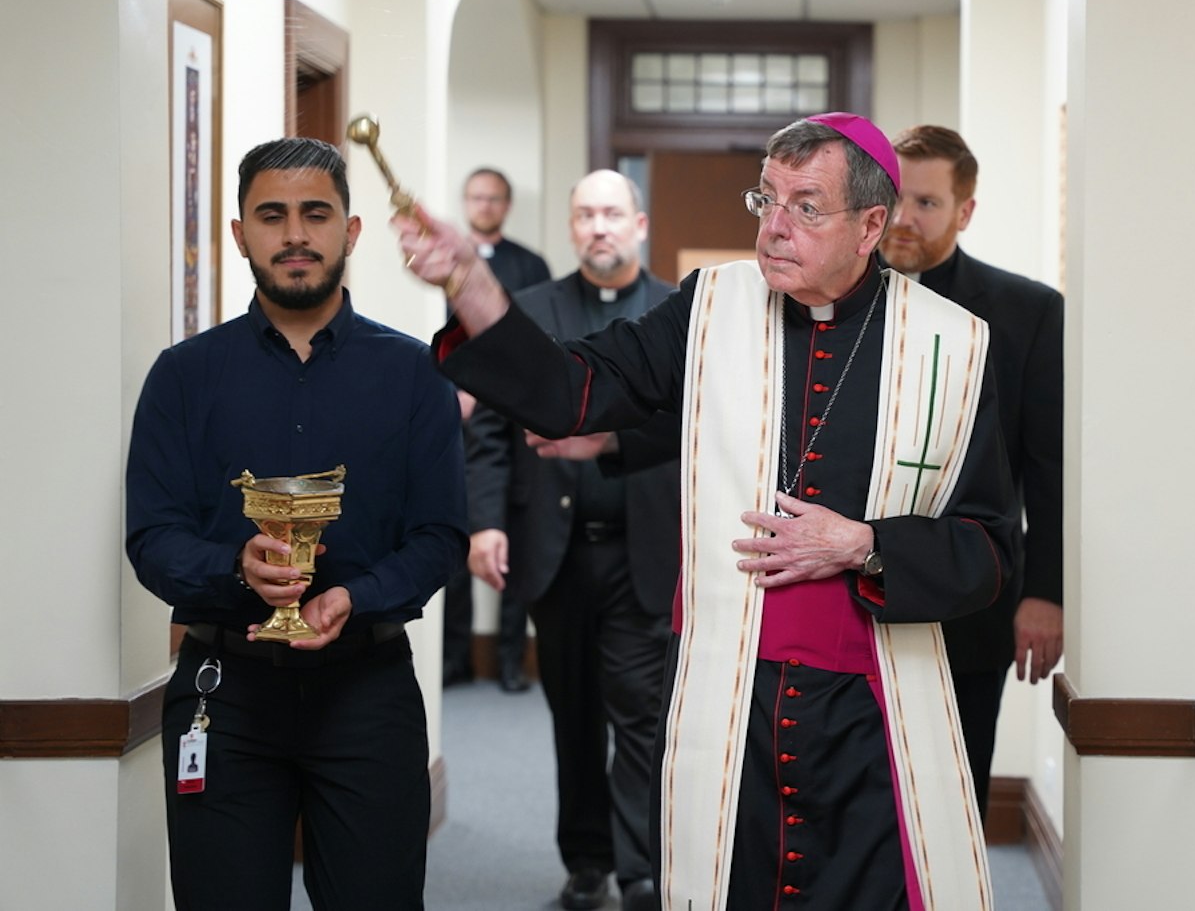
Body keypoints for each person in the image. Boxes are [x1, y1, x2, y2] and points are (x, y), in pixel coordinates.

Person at [396, 112, 1019, 910]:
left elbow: (989, 549)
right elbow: (573, 389)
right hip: (734, 700)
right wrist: (471, 287)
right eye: (766, 201)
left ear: (871, 225)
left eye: (805, 206)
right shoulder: (712, 305)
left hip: (875, 715)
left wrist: (865, 543)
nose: (775, 228)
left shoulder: (951, 346)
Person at [125, 137, 468, 911]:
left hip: (367, 691)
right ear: (240, 233)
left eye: (316, 214)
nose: (295, 235)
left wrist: (359, 596)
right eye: (272, 216)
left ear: (350, 232)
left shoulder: (415, 373)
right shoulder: (183, 377)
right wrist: (233, 569)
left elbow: (441, 535)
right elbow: (152, 537)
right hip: (225, 693)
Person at [465, 169, 679, 911]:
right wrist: (486, 520)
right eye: (585, 213)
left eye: (612, 213)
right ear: (569, 226)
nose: (599, 227)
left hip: (645, 549)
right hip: (552, 549)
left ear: (640, 224)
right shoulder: (528, 311)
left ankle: (641, 865)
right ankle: (587, 862)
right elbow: (489, 428)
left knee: (642, 714)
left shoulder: (676, 313)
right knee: (574, 715)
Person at [883, 124, 1066, 819]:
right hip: (849, 592)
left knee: (950, 803)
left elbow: (1048, 467)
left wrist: (1045, 593)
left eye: (926, 203)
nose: (904, 217)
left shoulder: (1028, 314)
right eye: (895, 197)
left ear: (965, 211)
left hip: (973, 599)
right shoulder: (830, 299)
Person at [443, 166, 552, 691]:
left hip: (516, 418)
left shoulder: (530, 264)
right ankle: (454, 658)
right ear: (466, 201)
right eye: (476, 196)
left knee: (511, 536)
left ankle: (511, 659)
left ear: (506, 206)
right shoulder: (444, 259)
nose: (484, 205)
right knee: (453, 537)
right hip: (454, 419)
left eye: (493, 198)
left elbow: (538, 340)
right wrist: (455, 391)